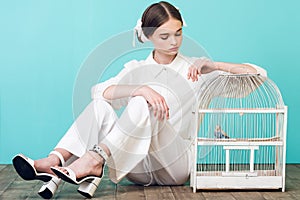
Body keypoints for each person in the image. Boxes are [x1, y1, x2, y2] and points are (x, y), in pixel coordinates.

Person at [12, 1, 267, 199]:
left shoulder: (195, 70)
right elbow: (98, 92)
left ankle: (92, 161)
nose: (174, 42)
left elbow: (258, 76)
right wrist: (140, 88)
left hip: (174, 166)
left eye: (178, 34)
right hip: (135, 166)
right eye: (164, 36)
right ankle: (55, 159)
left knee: (140, 102)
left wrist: (214, 65)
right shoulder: (136, 67)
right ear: (148, 37)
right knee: (109, 103)